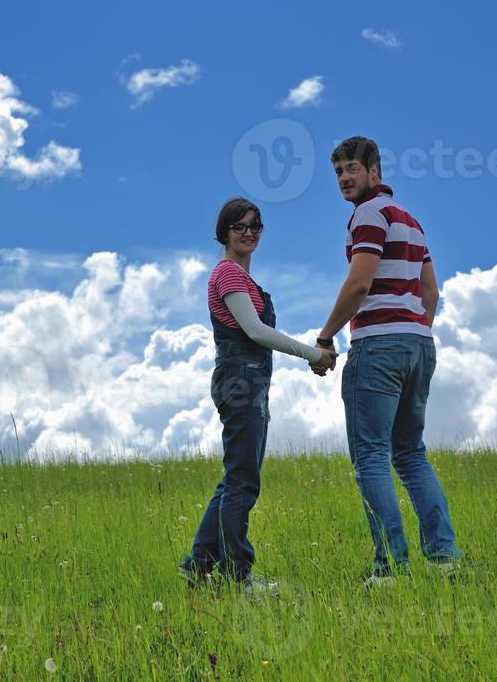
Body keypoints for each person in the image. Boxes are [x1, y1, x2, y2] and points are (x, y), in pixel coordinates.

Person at [310, 136, 462, 585]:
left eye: (352, 169)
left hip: (378, 347)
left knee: (372, 457)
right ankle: (443, 558)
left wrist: (324, 337)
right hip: (419, 345)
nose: (344, 179)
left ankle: (391, 569)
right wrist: (416, 329)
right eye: (338, 172)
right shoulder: (411, 221)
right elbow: (430, 291)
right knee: (411, 454)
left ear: (375, 172)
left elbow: (359, 284)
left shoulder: (368, 215)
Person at [181, 197, 333, 593]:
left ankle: (196, 568)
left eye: (255, 226)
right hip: (240, 380)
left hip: (250, 382)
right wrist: (313, 354)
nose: (248, 233)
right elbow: (255, 331)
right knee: (242, 481)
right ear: (223, 233)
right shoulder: (228, 275)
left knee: (236, 478)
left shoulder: (245, 280)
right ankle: (237, 576)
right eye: (239, 227)